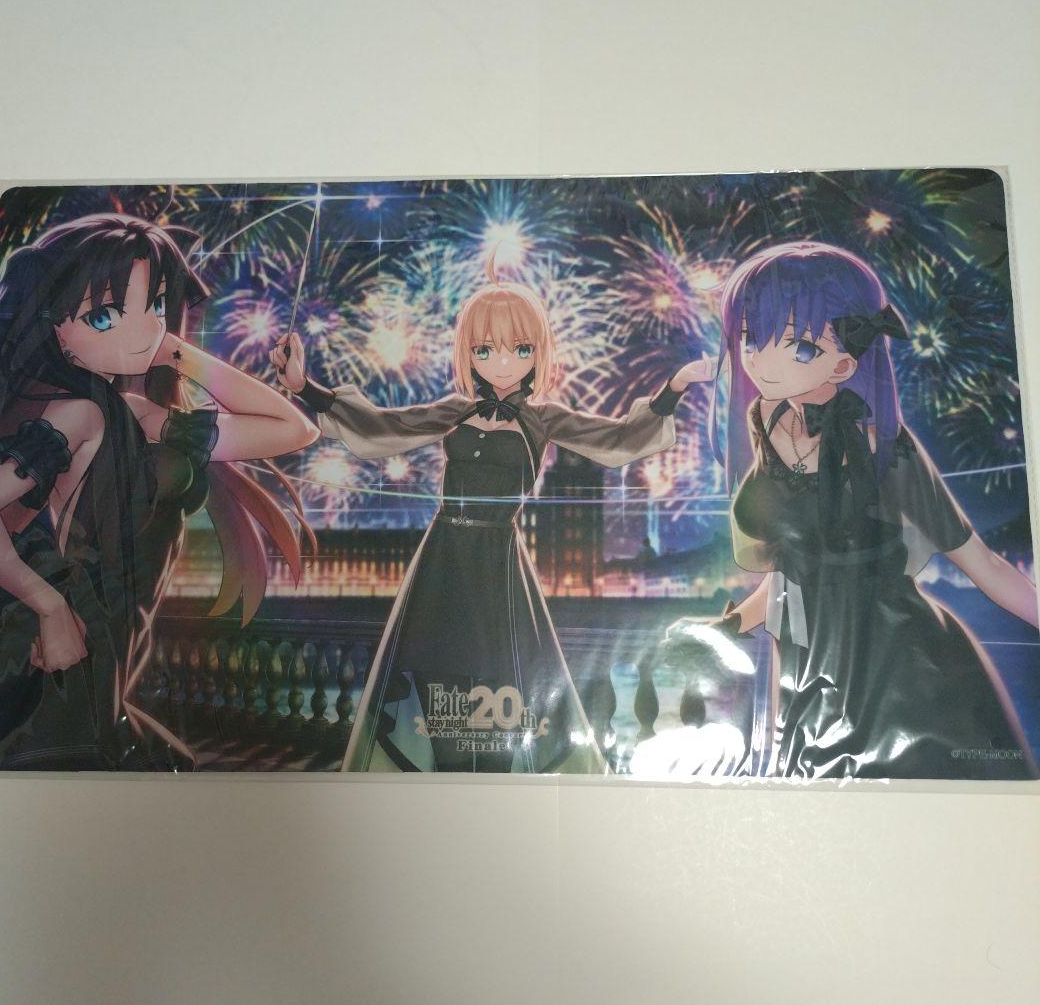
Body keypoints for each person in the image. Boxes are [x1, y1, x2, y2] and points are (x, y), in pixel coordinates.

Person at [272, 252, 714, 772]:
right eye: (485, 349)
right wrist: (304, 387)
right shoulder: (454, 411)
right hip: (441, 557)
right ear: (469, 354)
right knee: (433, 674)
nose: (502, 362)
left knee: (505, 680)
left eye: (519, 348)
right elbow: (381, 427)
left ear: (537, 353)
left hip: (499, 560)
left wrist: (674, 388)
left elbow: (618, 439)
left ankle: (497, 780)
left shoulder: (544, 418)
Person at [0, 213, 318, 769]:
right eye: (103, 316)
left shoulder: (135, 413)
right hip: (69, 647)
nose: (141, 331)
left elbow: (292, 429)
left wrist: (169, 346)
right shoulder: (75, 413)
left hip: (115, 644)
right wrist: (49, 607)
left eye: (156, 305)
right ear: (53, 327)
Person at [670, 240, 1038, 779]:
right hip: (811, 680)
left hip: (907, 681)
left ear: (844, 362)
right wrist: (726, 629)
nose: (761, 360)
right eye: (751, 337)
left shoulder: (886, 448)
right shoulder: (766, 423)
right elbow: (793, 570)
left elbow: (982, 563)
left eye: (799, 348)